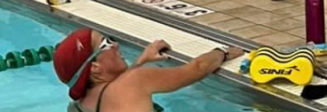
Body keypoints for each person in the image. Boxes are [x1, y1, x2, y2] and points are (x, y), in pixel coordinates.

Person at [53, 28, 245, 112]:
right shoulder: (136, 81)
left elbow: (116, 91)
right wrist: (223, 51)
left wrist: (141, 60)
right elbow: (198, 68)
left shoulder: (78, 105)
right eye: (106, 43)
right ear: (95, 68)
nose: (116, 45)